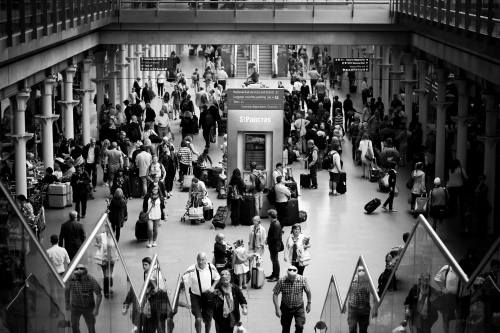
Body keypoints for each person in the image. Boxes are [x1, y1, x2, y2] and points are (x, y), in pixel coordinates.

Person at [183, 252, 221, 333]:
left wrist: (213, 287)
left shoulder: (211, 267)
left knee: (208, 319)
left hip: (208, 296)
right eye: (199, 260)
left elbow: (217, 278)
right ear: (197, 260)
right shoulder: (191, 269)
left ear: (206, 260)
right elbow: (183, 279)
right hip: (196, 296)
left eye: (202, 260)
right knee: (198, 319)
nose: (200, 262)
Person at [272, 264, 312, 333]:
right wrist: (277, 308)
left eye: (293, 277)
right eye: (290, 277)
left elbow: (308, 292)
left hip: (298, 307)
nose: (291, 279)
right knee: (285, 327)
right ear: (287, 275)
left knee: (300, 326)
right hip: (286, 307)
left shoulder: (303, 280)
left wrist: (309, 303)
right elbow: (275, 294)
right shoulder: (281, 281)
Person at [65, 263, 102, 333]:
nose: (78, 278)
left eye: (80, 276)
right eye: (77, 276)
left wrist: (96, 309)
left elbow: (99, 295)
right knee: (74, 325)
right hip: (75, 306)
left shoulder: (91, 280)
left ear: (85, 274)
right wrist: (67, 303)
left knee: (91, 326)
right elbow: (67, 289)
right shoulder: (72, 279)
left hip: (89, 307)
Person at [433, 264, 459, 333]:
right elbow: (437, 278)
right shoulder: (447, 267)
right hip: (448, 297)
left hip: (459, 297)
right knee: (446, 319)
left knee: (457, 319)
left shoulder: (462, 268)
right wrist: (443, 288)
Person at [347, 266, 373, 333]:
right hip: (353, 308)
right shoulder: (352, 280)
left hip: (364, 309)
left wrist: (375, 307)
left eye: (362, 270)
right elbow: (346, 292)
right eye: (359, 270)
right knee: (352, 328)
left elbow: (374, 294)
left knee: (363, 330)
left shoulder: (368, 281)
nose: (361, 272)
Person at [94, 227, 118, 298]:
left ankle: (109, 284)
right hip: (104, 259)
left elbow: (115, 248)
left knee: (109, 273)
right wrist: (99, 245)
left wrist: (116, 257)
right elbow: (96, 244)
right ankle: (106, 292)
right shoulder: (100, 236)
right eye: (108, 228)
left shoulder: (113, 237)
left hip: (111, 259)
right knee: (106, 275)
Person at [267, 209, 284, 282]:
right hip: (273, 245)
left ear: (270, 216)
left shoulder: (275, 224)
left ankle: (276, 276)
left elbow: (275, 237)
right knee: (273, 260)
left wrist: (268, 240)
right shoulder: (274, 222)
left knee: (275, 260)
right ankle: (273, 274)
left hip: (274, 246)